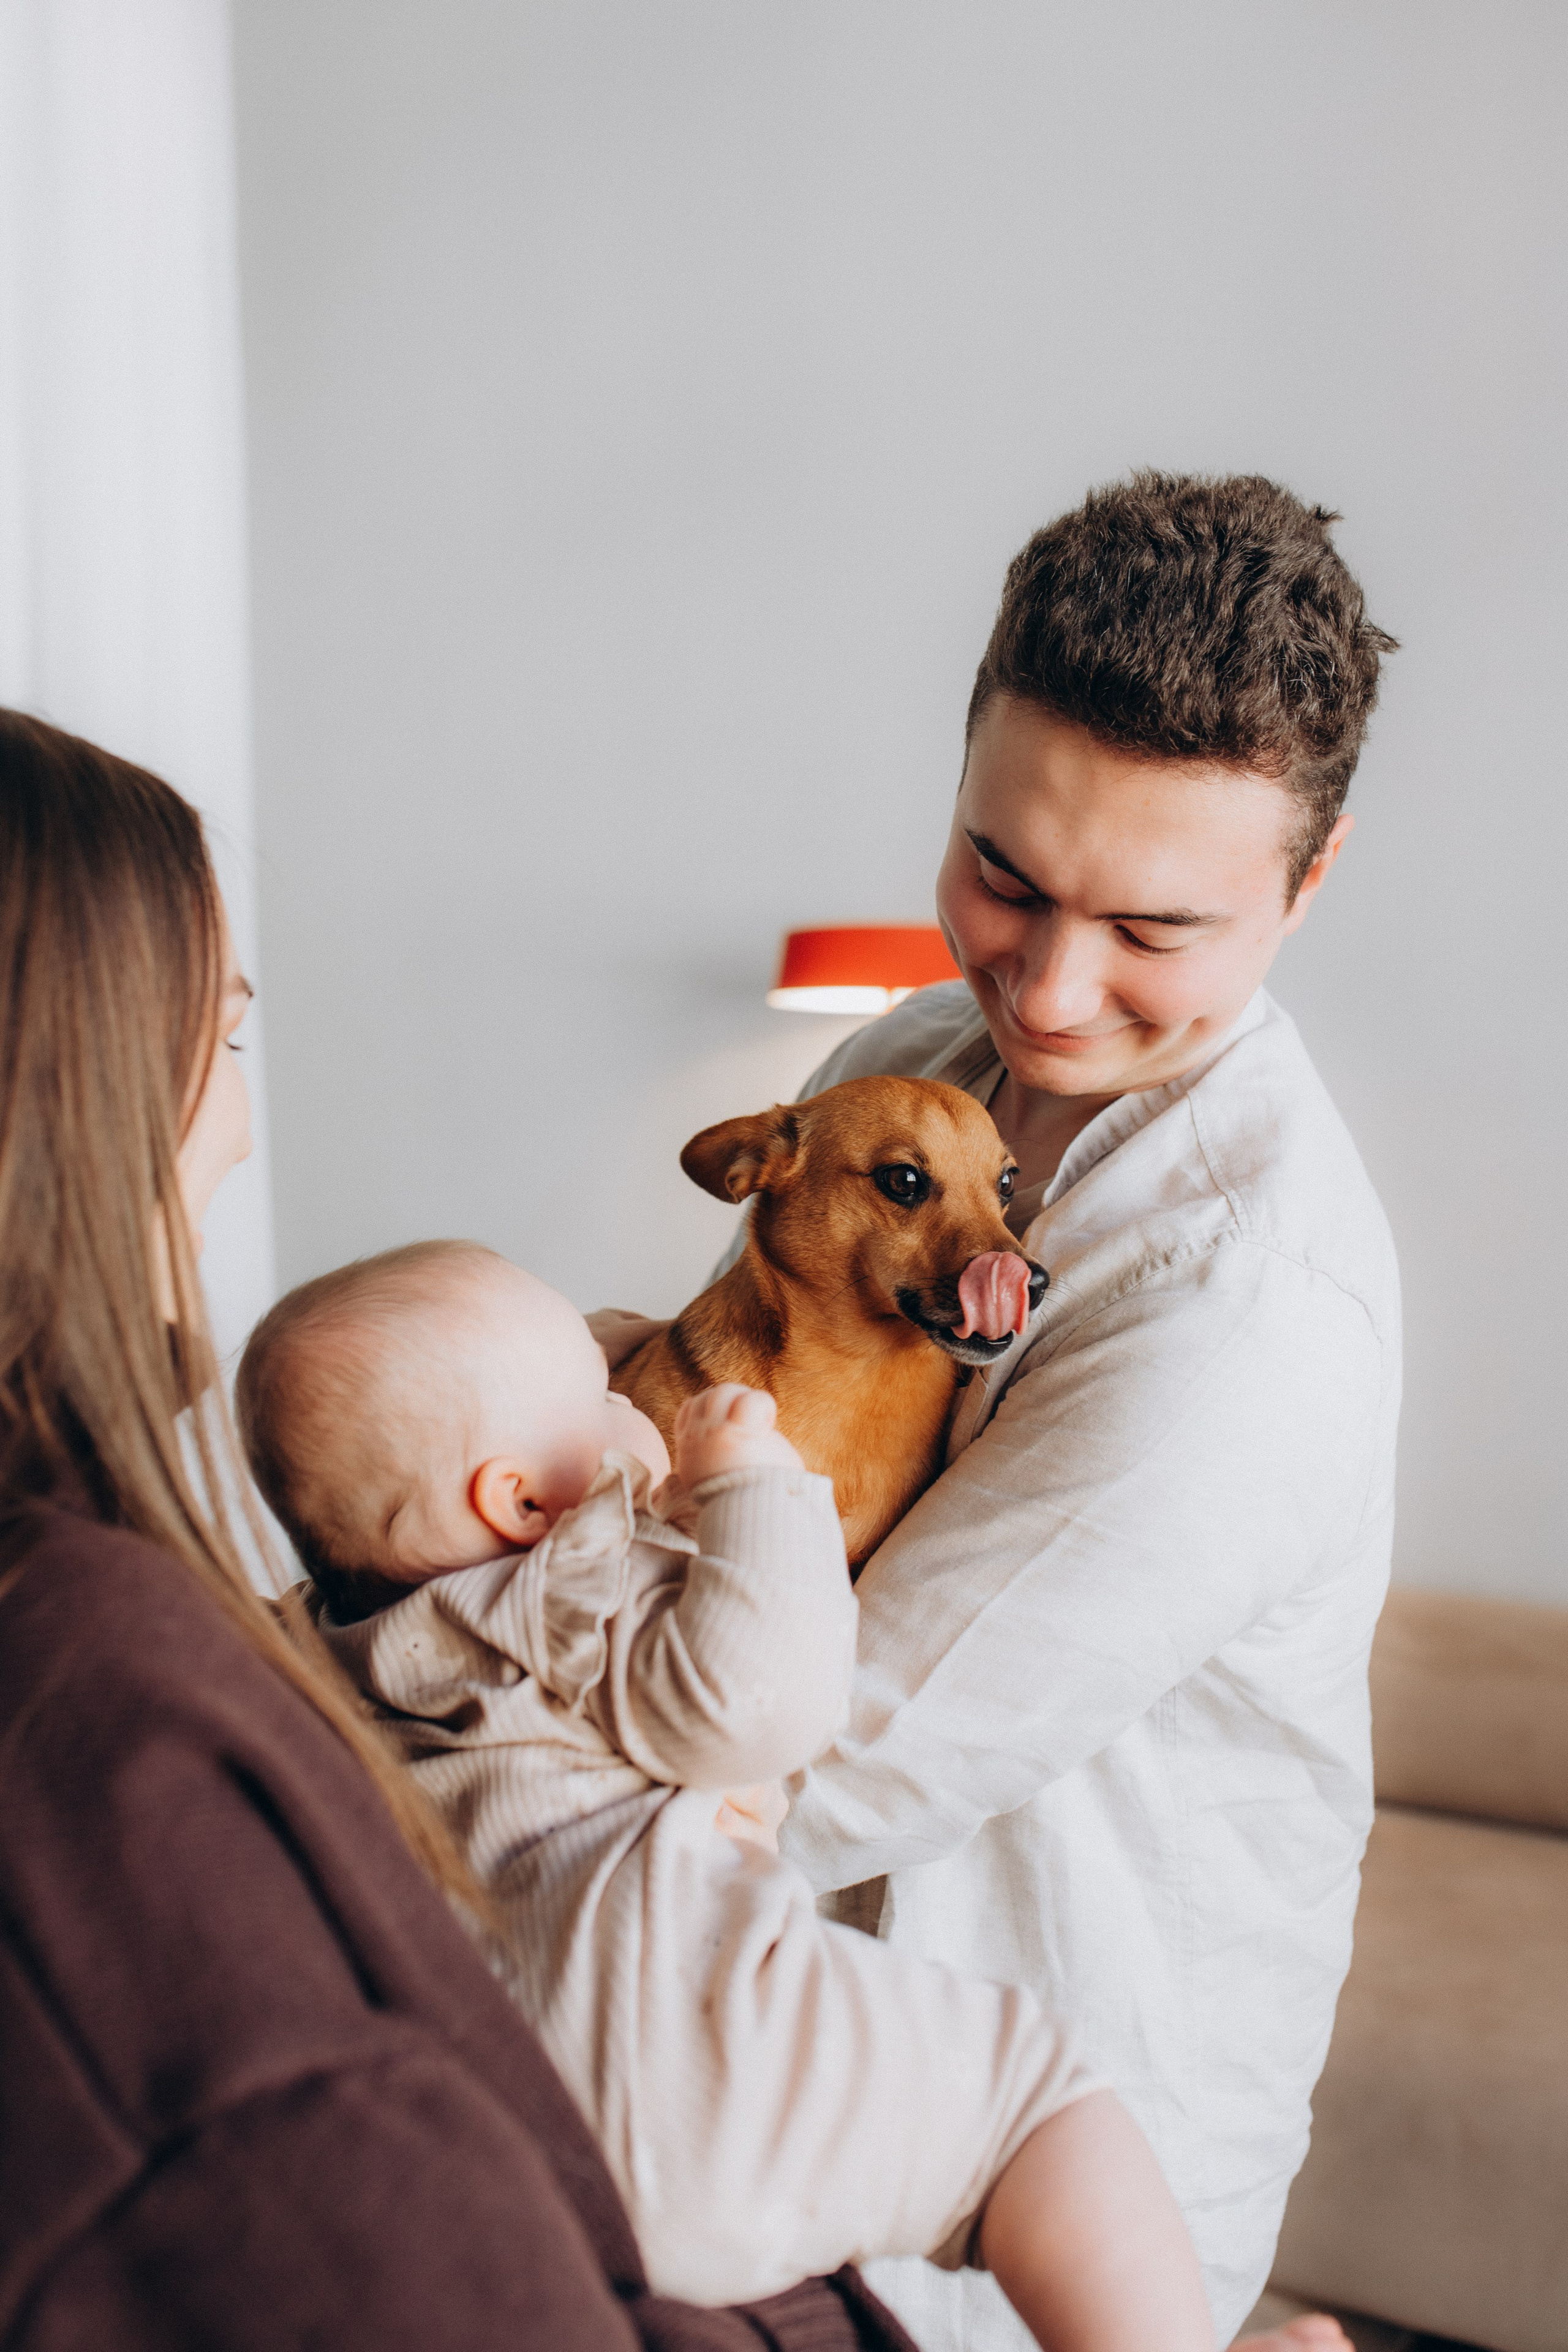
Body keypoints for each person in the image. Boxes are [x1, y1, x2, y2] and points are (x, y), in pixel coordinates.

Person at [0, 708, 915, 2352]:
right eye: (225, 1034)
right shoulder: (99, 1693)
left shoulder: (191, 1632)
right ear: (86, 1084)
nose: (241, 1119)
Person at [601, 471, 1397, 2351]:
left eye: (1152, 931)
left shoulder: (1245, 1306)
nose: (1047, 988)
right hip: (777, 2044)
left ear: (1310, 881)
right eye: (1004, 878)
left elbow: (840, 1751)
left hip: (1025, 2183)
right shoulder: (905, 1062)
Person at [233, 1238, 1218, 2348]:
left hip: (498, 2142)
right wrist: (761, 1491)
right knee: (1032, 2101)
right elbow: (766, 1702)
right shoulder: (574, 1591)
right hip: (687, 2067)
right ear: (518, 1504)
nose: (625, 1396)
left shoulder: (310, 1657)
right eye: (590, 1394)